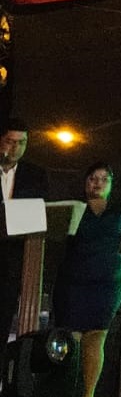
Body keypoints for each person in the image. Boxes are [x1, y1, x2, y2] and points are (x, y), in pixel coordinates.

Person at [52, 161, 121, 397]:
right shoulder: (75, 207)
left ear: (111, 184)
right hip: (74, 278)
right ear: (85, 182)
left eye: (104, 179)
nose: (98, 183)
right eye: (93, 178)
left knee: (97, 336)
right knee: (72, 338)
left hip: (106, 280)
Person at [0, 116, 50, 345]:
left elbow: (40, 213)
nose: (16, 148)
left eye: (22, 143)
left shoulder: (34, 175)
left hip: (14, 260)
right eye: (11, 142)